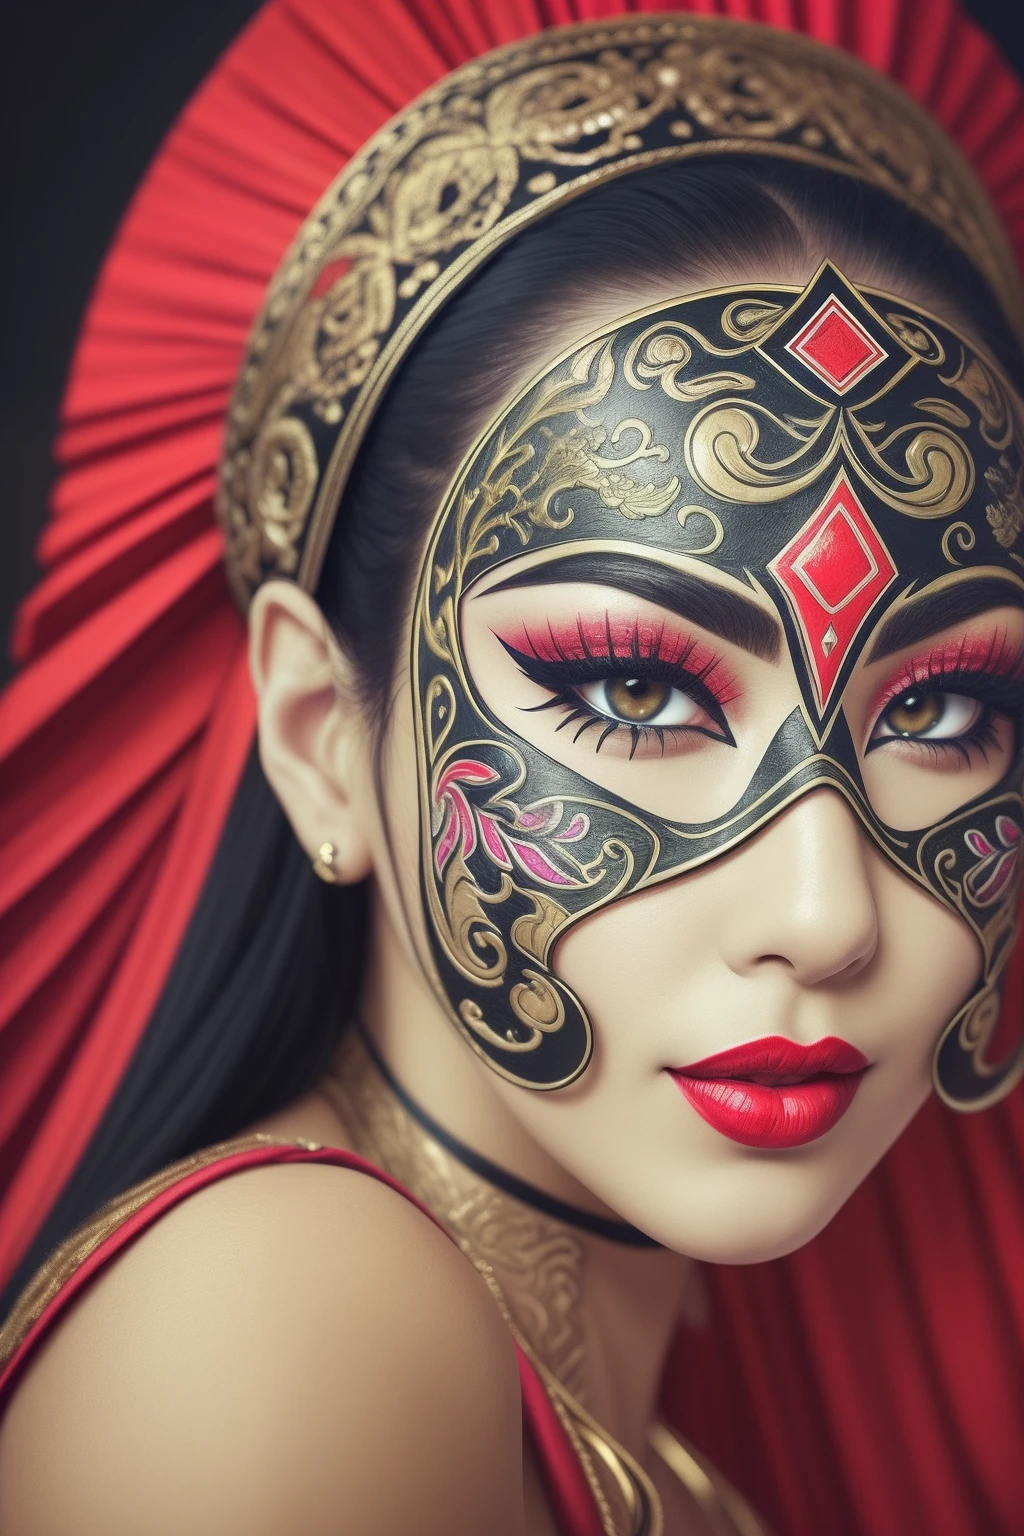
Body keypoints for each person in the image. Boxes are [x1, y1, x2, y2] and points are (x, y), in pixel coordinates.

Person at [0, 5, 1023, 1534]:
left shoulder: (590, 1392)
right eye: (632, 686)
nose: (828, 914)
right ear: (319, 735)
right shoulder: (275, 1330)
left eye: (944, 716)